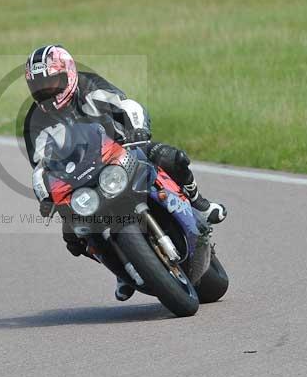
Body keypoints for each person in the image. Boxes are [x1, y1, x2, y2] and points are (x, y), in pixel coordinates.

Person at [23, 44, 226, 302]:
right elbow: (40, 166)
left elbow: (128, 106)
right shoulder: (35, 121)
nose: (47, 90)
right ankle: (120, 266)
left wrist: (137, 131)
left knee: (172, 157)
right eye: (39, 87)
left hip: (122, 151)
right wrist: (45, 196)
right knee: (73, 235)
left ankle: (200, 203)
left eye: (52, 81)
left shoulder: (89, 87)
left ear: (68, 73)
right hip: (81, 179)